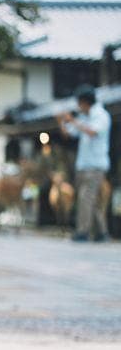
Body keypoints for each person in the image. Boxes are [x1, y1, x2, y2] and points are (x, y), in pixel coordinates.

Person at [57, 85, 112, 242]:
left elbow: (92, 132)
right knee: (91, 200)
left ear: (85, 102)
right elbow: (69, 134)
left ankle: (83, 232)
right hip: (83, 165)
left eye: (79, 103)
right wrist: (62, 122)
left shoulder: (101, 116)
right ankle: (102, 233)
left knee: (85, 198)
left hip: (95, 166)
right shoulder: (84, 117)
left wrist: (73, 120)